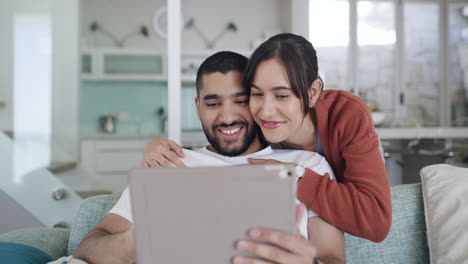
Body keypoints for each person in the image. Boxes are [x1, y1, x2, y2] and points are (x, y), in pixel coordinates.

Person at [72, 51, 344, 264]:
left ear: (257, 100)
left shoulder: (308, 166)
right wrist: (144, 236)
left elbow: (333, 258)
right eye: (213, 103)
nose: (227, 117)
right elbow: (88, 250)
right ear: (198, 107)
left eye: (240, 101)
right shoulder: (168, 164)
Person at [142, 34, 392, 243]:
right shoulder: (255, 124)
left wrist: (298, 175)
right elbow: (216, 151)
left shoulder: (345, 114)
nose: (266, 111)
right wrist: (157, 147)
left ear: (313, 92)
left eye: (281, 95)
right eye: (256, 94)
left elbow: (376, 223)